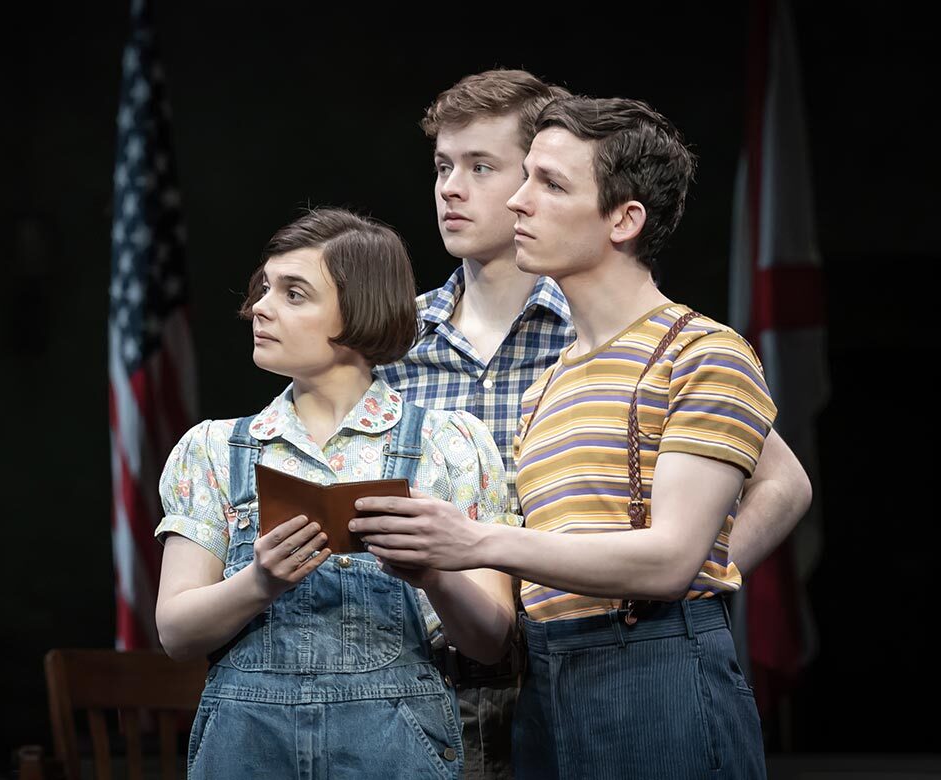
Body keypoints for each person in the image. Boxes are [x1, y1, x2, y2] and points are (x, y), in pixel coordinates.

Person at [374, 71, 811, 778]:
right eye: (444, 167)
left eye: (542, 182)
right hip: (525, 670)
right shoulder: (548, 378)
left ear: (621, 217)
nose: (510, 198)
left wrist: (697, 582)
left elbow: (691, 544)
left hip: (645, 658)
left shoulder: (692, 349)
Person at [153, 207, 519, 779]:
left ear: (359, 311)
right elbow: (175, 632)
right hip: (249, 751)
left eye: (293, 294)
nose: (259, 308)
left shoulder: (450, 444)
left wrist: (433, 574)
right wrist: (259, 581)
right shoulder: (216, 449)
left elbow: (490, 642)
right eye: (264, 289)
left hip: (394, 750)